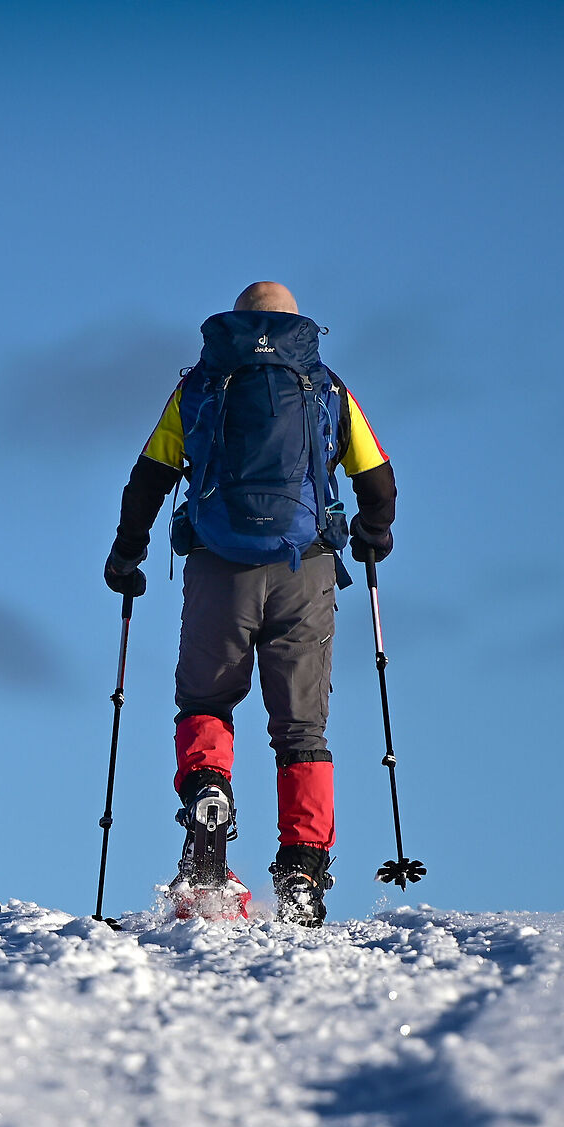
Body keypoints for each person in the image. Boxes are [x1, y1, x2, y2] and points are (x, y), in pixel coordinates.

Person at [103, 281, 397, 924]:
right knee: (301, 730)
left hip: (218, 569)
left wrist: (127, 556)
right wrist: (375, 537)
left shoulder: (201, 385)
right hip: (306, 571)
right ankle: (302, 874)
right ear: (298, 323)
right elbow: (378, 482)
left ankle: (209, 791)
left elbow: (147, 477)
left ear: (237, 321)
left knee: (206, 702)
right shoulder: (327, 387)